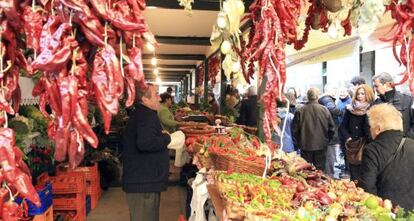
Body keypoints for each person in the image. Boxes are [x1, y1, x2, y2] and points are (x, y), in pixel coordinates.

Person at [122, 84, 171, 221]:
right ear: (144, 99)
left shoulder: (143, 114)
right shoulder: (146, 116)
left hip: (144, 181)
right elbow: (145, 143)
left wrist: (159, 136)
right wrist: (166, 138)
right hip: (143, 184)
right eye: (156, 94)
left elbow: (146, 139)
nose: (159, 98)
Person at [359, 104, 414, 210]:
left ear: (378, 129)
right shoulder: (412, 144)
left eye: (371, 127)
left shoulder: (372, 150)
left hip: (387, 211)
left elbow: (367, 188)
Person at [292, 88, 335, 171]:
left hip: (305, 145)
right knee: (320, 170)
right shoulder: (324, 110)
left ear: (307, 96)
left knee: (306, 170)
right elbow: (331, 129)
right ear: (317, 96)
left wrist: (299, 142)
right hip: (321, 144)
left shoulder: (300, 110)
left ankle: (307, 184)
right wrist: (326, 140)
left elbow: (295, 130)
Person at [339, 84, 374, 181]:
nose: (360, 96)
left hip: (367, 144)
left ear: (368, 95)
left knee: (366, 174)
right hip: (353, 145)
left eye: (362, 94)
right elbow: (342, 127)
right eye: (358, 94)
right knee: (354, 175)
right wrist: (348, 138)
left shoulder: (372, 109)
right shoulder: (350, 109)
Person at [372, 72, 414, 138]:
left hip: (405, 145)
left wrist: (406, 140)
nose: (374, 89)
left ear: (387, 84)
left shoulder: (408, 100)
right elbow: (370, 127)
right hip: (383, 146)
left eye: (376, 86)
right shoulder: (375, 104)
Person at [318, 85, 341, 178]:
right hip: (329, 134)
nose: (336, 91)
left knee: (328, 158)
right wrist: (344, 110)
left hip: (325, 133)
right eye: (334, 89)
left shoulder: (324, 99)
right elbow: (333, 110)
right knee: (329, 158)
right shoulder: (327, 99)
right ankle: (329, 178)